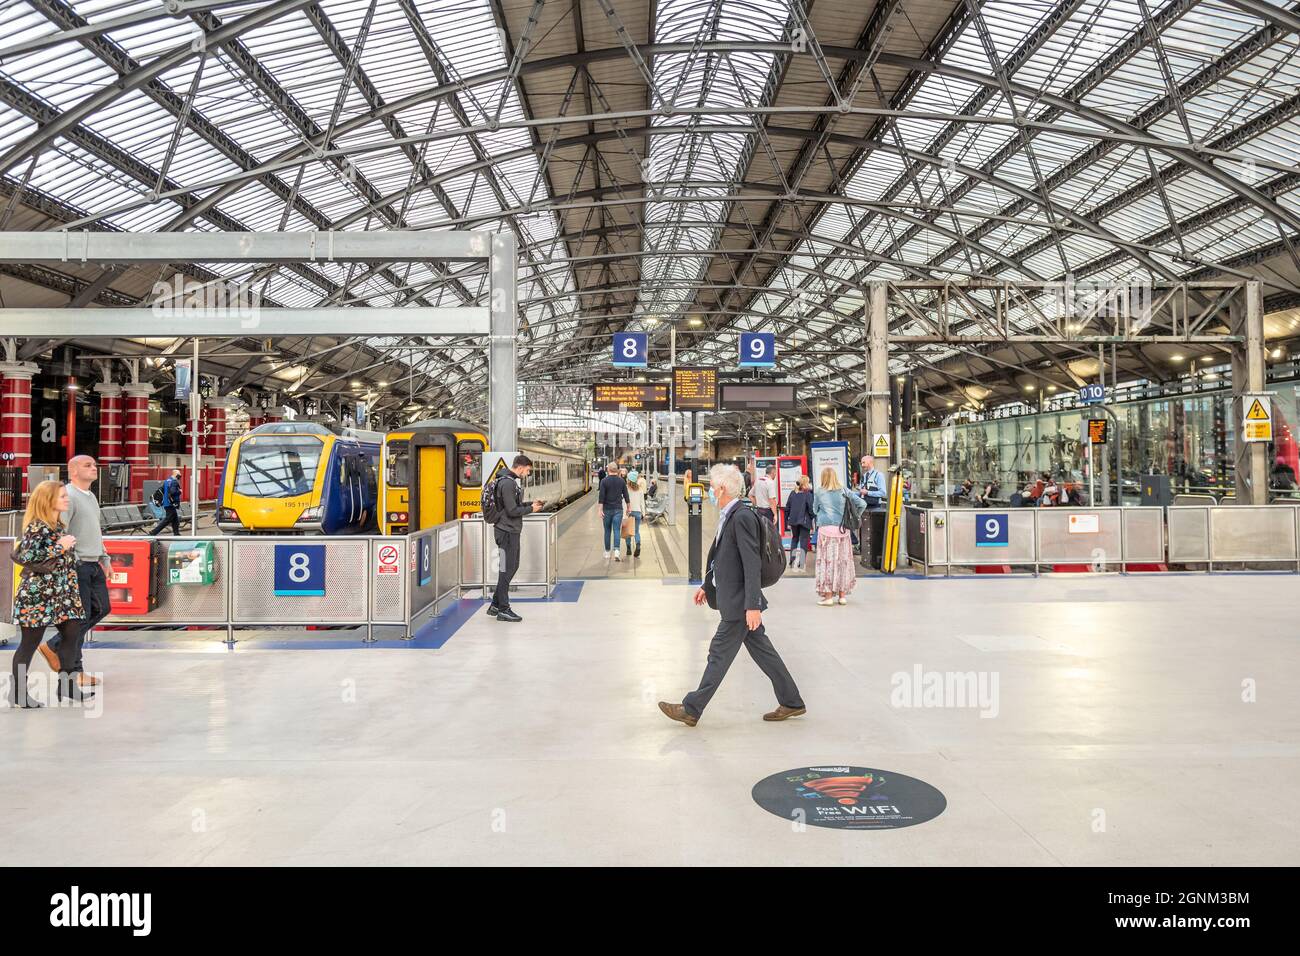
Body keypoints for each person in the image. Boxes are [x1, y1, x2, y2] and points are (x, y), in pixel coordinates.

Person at [658, 464, 804, 727]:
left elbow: (751, 564)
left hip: (739, 604)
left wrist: (753, 605)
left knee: (718, 654)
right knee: (764, 652)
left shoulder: (742, 517)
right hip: (735, 598)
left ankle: (691, 709)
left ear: (723, 488)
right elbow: (723, 559)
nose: (710, 492)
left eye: (712, 487)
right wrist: (707, 585)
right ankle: (792, 701)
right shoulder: (730, 514)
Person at [9, 480, 92, 707]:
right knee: (29, 643)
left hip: (62, 594)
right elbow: (29, 556)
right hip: (39, 594)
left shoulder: (57, 526)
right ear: (48, 501)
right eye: (63, 496)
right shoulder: (37, 527)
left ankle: (68, 685)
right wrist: (60, 546)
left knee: (73, 634)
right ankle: (17, 692)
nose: (67, 499)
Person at [39, 454, 109, 688]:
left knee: (100, 609)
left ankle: (55, 646)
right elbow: (61, 532)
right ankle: (75, 668)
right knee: (79, 618)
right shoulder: (68, 495)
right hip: (78, 565)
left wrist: (104, 558)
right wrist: (75, 560)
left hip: (93, 563)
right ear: (73, 471)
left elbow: (95, 531)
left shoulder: (90, 496)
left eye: (94, 465)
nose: (94, 468)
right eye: (87, 465)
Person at [487, 454, 543, 623]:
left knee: (511, 566)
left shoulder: (507, 482)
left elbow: (511, 507)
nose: (527, 473)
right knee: (507, 569)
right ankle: (503, 609)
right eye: (527, 470)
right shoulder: (508, 483)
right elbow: (512, 511)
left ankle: (496, 604)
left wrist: (530, 504)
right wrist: (531, 510)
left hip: (508, 530)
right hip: (506, 532)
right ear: (520, 467)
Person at [813, 466, 865, 606]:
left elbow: (814, 509)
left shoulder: (819, 492)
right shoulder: (845, 491)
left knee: (827, 563)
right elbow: (862, 504)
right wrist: (854, 517)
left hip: (826, 533)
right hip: (843, 532)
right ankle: (842, 596)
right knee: (843, 562)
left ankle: (828, 596)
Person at [598, 463, 630, 561]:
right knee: (616, 530)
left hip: (607, 510)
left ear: (608, 470)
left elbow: (601, 497)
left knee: (607, 531)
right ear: (617, 470)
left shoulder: (604, 481)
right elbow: (626, 495)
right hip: (618, 509)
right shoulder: (621, 481)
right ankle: (617, 551)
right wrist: (629, 507)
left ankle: (607, 552)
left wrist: (600, 510)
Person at [784, 475, 814, 570]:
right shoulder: (808, 494)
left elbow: (787, 507)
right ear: (805, 483)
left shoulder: (793, 493)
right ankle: (801, 563)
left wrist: (787, 520)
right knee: (803, 542)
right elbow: (811, 509)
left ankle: (792, 561)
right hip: (804, 522)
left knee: (794, 539)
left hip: (793, 521)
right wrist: (813, 517)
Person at [149, 468, 183, 535]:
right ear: (176, 474)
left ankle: (176, 533)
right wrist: (179, 491)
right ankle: (154, 532)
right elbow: (173, 492)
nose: (180, 476)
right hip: (171, 503)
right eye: (179, 474)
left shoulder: (167, 481)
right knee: (167, 520)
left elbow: (164, 491)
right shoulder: (174, 482)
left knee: (175, 518)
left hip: (167, 503)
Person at [623, 470, 645, 558]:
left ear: (628, 480)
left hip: (629, 512)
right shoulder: (640, 489)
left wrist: (624, 515)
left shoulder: (626, 489)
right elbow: (642, 502)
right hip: (638, 512)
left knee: (628, 532)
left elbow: (624, 502)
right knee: (636, 531)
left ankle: (628, 548)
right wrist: (643, 513)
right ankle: (638, 545)